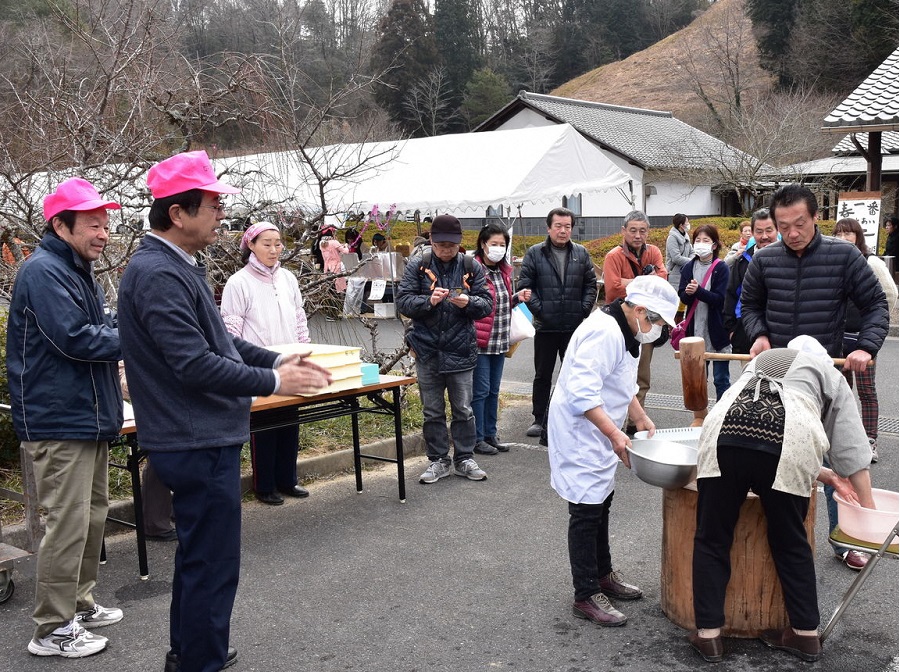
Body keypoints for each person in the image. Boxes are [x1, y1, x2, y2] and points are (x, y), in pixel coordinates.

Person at [117, 150, 332, 672]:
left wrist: (277, 355)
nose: (221, 215)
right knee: (212, 564)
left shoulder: (172, 265)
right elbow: (195, 364)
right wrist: (277, 380)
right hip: (193, 437)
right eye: (212, 205)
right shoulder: (159, 273)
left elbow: (223, 343)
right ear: (177, 214)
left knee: (199, 560)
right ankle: (201, 661)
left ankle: (190, 652)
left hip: (196, 435)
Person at [687, 336, 876, 664]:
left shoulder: (762, 360)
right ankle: (805, 636)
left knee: (712, 539)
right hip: (789, 446)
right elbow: (851, 448)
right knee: (791, 542)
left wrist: (827, 475)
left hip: (725, 436)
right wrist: (871, 513)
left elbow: (756, 429)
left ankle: (709, 637)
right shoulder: (826, 370)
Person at [740, 183, 889, 572]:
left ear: (816, 217)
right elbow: (750, 306)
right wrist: (758, 334)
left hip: (822, 375)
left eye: (800, 223)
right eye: (784, 225)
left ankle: (849, 535)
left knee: (834, 454)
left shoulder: (844, 256)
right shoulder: (765, 260)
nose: (792, 232)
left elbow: (875, 305)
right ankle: (782, 539)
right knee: (776, 453)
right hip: (774, 373)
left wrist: (866, 347)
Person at [6, 177, 124, 658]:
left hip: (87, 414)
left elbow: (99, 328)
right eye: (93, 224)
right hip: (60, 419)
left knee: (91, 518)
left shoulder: (75, 268)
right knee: (68, 524)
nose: (103, 234)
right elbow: (76, 339)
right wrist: (145, 335)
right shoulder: (43, 271)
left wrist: (126, 324)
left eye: (105, 224)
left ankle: (78, 602)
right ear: (60, 224)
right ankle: (52, 629)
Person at [548, 275, 679, 627]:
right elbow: (583, 393)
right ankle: (585, 593)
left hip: (600, 428)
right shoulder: (602, 332)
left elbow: (621, 383)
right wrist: (615, 435)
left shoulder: (626, 329)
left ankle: (603, 573)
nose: (657, 330)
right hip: (581, 430)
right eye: (655, 321)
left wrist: (639, 417)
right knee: (586, 509)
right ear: (638, 310)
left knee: (601, 501)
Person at [396, 213, 493, 484]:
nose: (446, 250)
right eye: (440, 245)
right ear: (431, 240)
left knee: (463, 409)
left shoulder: (471, 265)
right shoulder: (418, 264)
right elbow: (403, 302)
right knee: (432, 410)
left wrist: (469, 302)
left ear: (460, 242)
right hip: (427, 350)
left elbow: (487, 304)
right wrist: (429, 301)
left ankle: (464, 458)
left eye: (451, 245)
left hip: (461, 349)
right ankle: (438, 460)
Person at [221, 221, 313, 505]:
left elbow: (299, 318)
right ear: (250, 245)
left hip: (288, 360)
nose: (274, 250)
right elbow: (231, 329)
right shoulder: (238, 282)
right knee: (264, 426)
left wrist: (303, 352)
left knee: (290, 422)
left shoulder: (288, 278)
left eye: (278, 243)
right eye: (266, 244)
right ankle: (264, 485)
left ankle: (288, 479)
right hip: (258, 364)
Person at [518, 207, 597, 438]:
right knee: (542, 374)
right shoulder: (535, 253)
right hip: (545, 325)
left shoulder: (581, 253)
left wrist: (583, 310)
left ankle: (568, 417)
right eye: (558, 226)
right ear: (549, 228)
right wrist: (541, 311)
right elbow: (525, 287)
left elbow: (591, 285)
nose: (563, 231)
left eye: (567, 227)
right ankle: (539, 418)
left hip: (574, 326)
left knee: (572, 373)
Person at [833, 217, 898, 464]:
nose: (843, 238)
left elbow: (890, 295)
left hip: (863, 338)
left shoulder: (871, 262)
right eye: (838, 234)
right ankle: (844, 438)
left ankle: (870, 441)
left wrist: (873, 328)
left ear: (858, 236)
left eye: (848, 234)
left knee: (866, 391)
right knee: (840, 390)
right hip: (839, 337)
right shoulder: (834, 262)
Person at [601, 210, 667, 433]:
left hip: (645, 321)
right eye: (633, 230)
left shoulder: (654, 252)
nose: (638, 235)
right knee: (616, 372)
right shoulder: (613, 256)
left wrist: (628, 282)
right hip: (619, 323)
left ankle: (634, 421)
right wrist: (645, 281)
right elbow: (611, 289)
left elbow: (662, 280)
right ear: (623, 231)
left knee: (642, 374)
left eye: (642, 230)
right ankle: (612, 419)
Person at [471, 222, 531, 455]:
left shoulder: (503, 271)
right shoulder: (473, 269)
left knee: (494, 390)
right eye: (493, 244)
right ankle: (477, 438)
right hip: (480, 341)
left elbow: (501, 303)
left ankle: (490, 434)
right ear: (483, 244)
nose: (498, 248)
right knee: (481, 391)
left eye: (502, 245)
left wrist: (516, 297)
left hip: (500, 339)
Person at [677, 224, 730, 401]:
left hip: (717, 332)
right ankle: (701, 417)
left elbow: (720, 299)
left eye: (705, 240)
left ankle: (721, 417)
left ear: (714, 245)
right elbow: (683, 298)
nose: (700, 243)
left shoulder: (721, 268)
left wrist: (698, 291)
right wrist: (689, 293)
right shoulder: (687, 268)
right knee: (697, 380)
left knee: (721, 379)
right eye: (697, 240)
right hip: (695, 331)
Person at [723, 208, 777, 354]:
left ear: (778, 230)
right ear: (752, 233)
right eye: (759, 231)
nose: (764, 236)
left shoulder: (790, 259)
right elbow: (731, 294)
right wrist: (732, 329)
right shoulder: (742, 261)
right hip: (747, 333)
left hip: (780, 334)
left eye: (769, 230)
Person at [665, 213, 693, 291]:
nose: (688, 224)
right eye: (687, 222)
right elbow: (676, 258)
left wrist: (691, 261)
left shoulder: (686, 236)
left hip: (686, 272)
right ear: (681, 225)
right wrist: (691, 261)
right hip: (674, 274)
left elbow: (692, 252)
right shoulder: (672, 238)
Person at [318, 226, 349, 292]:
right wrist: (346, 246)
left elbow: (325, 260)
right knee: (342, 288)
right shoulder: (334, 242)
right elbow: (346, 252)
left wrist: (325, 273)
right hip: (338, 267)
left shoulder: (321, 244)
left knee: (332, 288)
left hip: (329, 267)